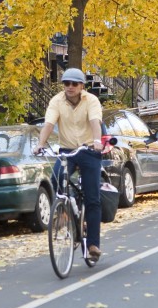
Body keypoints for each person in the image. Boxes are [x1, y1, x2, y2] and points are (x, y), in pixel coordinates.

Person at [33, 67, 104, 261]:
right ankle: (68, 211)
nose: (70, 87)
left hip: (89, 149)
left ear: (81, 86)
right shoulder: (56, 101)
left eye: (74, 84)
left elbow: (95, 122)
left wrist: (98, 142)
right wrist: (40, 144)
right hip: (68, 151)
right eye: (66, 83)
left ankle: (92, 245)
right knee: (57, 180)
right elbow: (48, 124)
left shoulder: (91, 101)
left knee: (92, 198)